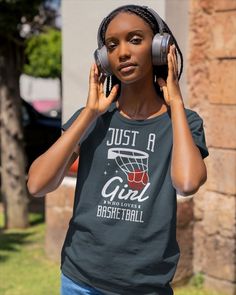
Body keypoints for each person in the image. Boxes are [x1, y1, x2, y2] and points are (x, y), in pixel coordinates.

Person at [27, 4, 209, 295]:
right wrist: (89, 113)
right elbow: (37, 184)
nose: (123, 52)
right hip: (79, 281)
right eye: (112, 45)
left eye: (135, 40)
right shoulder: (91, 120)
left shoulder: (184, 123)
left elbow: (187, 183)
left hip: (145, 287)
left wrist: (175, 103)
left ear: (161, 48)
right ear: (104, 58)